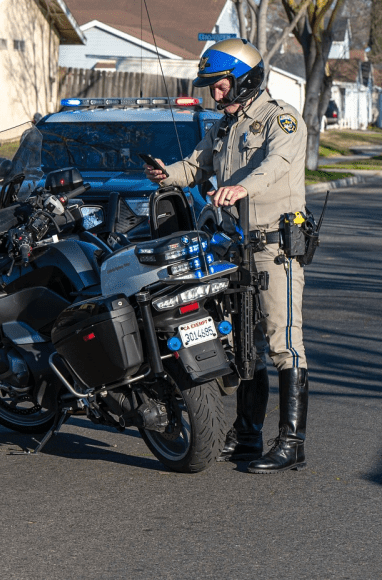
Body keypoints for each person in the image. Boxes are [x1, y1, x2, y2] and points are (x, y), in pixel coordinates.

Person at [143, 38, 309, 474]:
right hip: (236, 248)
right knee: (244, 345)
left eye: (220, 85)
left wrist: (241, 186)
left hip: (276, 248)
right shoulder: (222, 128)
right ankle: (248, 435)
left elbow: (275, 164)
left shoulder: (283, 120)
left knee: (284, 343)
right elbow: (196, 165)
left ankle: (292, 442)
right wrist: (167, 173)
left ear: (246, 79)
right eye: (211, 87)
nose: (214, 94)